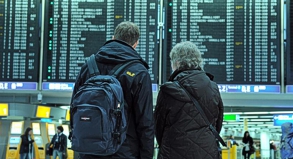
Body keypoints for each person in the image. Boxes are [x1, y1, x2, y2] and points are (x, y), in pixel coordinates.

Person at [71, 21, 154, 159]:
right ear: (136, 44)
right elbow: (145, 122)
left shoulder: (88, 66)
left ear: (113, 38)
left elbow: (75, 106)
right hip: (124, 151)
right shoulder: (139, 72)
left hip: (89, 151)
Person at [154, 41, 224, 159]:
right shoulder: (213, 87)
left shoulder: (168, 90)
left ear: (176, 63)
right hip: (207, 151)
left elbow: (158, 126)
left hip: (173, 151)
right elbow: (218, 123)